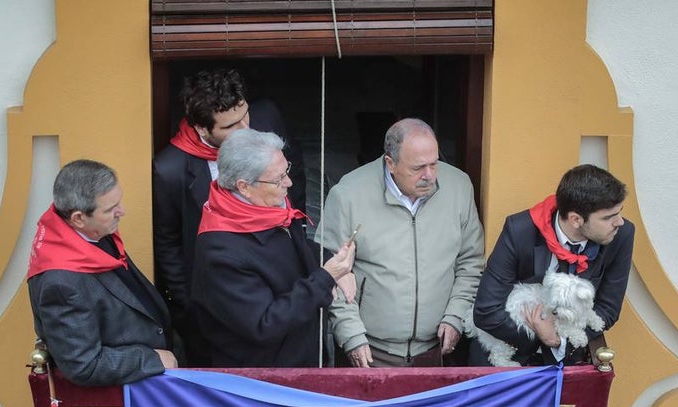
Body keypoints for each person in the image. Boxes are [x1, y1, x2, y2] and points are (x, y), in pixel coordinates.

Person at [153, 68, 305, 364]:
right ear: (202, 129)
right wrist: (191, 310)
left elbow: (294, 174)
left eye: (245, 115)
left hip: (283, 287)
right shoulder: (169, 169)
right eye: (231, 126)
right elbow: (169, 246)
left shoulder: (268, 116)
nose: (246, 129)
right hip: (221, 306)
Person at [315, 118, 484, 367]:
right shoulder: (348, 195)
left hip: (438, 350)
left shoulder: (459, 186)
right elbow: (331, 272)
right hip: (368, 350)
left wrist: (456, 315)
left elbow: (471, 262)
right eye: (418, 168)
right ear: (390, 163)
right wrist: (350, 334)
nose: (430, 176)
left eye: (434, 164)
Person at [191, 130, 354, 367]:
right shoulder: (220, 252)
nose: (289, 182)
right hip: (265, 379)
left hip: (300, 357)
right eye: (278, 179)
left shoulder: (268, 205)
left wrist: (331, 259)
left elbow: (293, 249)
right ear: (244, 186)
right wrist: (326, 278)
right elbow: (264, 323)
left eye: (286, 170)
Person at [27, 159, 180, 386]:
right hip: (128, 392)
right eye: (110, 209)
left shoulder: (93, 231)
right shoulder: (60, 283)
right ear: (78, 218)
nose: (122, 212)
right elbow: (83, 365)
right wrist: (152, 359)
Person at [471, 164, 635, 365]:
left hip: (565, 358)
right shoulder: (520, 230)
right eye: (608, 217)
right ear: (576, 219)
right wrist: (539, 335)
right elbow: (486, 310)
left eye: (620, 212)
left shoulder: (622, 235)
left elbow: (608, 309)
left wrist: (558, 341)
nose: (619, 222)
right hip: (506, 350)